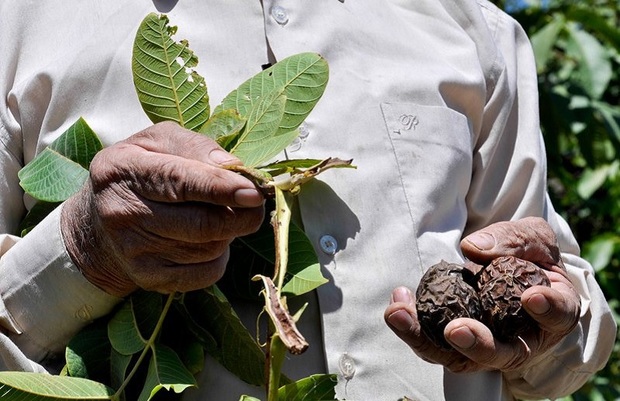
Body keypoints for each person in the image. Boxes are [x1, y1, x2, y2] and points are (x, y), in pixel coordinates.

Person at [0, 1, 615, 400]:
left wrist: (546, 320)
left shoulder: (471, 28)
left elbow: (567, 332)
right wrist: (84, 249)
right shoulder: (22, 23)